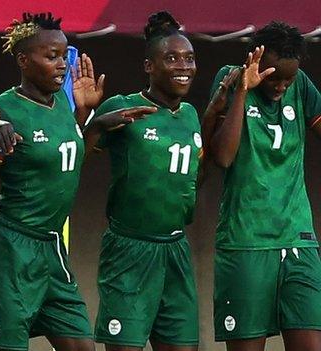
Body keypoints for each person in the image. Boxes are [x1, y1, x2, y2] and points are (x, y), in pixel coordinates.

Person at [0, 12, 104, 351]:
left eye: (64, 55)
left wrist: (90, 120)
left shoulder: (64, 103)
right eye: (51, 56)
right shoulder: (4, 109)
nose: (62, 64)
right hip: (11, 249)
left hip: (51, 248)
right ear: (24, 61)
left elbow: (64, 163)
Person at [82, 11, 200, 351]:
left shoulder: (190, 115)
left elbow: (195, 173)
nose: (183, 66)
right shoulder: (124, 106)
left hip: (176, 249)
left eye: (189, 59)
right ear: (149, 66)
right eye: (172, 58)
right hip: (130, 249)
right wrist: (97, 126)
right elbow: (75, 162)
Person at [204, 22, 321, 351]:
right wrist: (242, 90)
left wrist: (291, 82)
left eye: (289, 78)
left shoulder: (301, 87)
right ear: (255, 60)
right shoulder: (231, 79)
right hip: (246, 241)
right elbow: (224, 156)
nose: (281, 86)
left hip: (299, 239)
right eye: (274, 77)